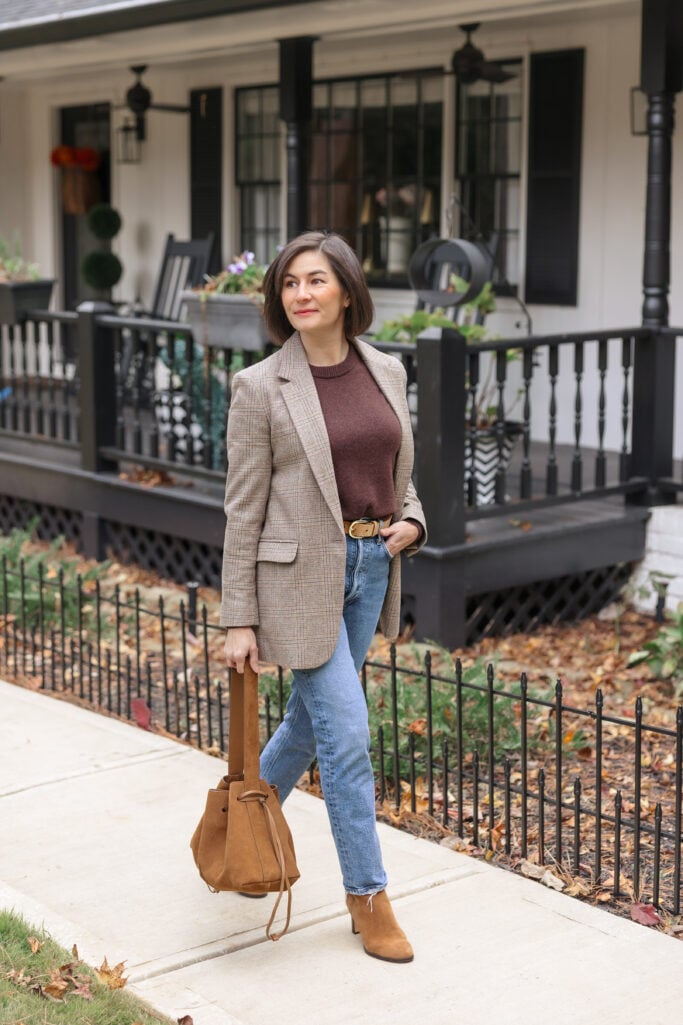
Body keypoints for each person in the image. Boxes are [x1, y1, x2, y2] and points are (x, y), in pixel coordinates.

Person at [220, 230, 427, 963]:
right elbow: (242, 509)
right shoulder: (259, 386)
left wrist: (410, 519)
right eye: (288, 284)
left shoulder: (387, 371)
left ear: (345, 288)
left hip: (371, 567)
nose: (301, 294)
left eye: (315, 280)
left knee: (307, 726)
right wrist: (237, 615)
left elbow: (394, 467)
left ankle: (239, 832)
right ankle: (366, 897)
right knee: (345, 734)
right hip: (296, 581)